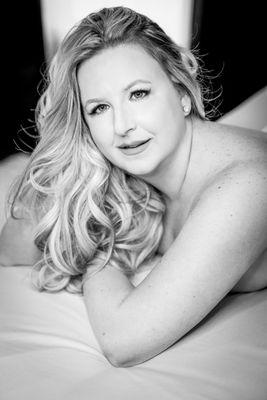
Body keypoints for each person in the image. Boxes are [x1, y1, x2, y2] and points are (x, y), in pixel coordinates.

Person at [0, 6, 266, 367]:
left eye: (138, 94)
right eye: (98, 109)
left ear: (182, 94)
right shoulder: (133, 174)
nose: (122, 125)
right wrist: (60, 148)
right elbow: (10, 250)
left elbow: (123, 341)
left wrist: (100, 248)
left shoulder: (247, 185)